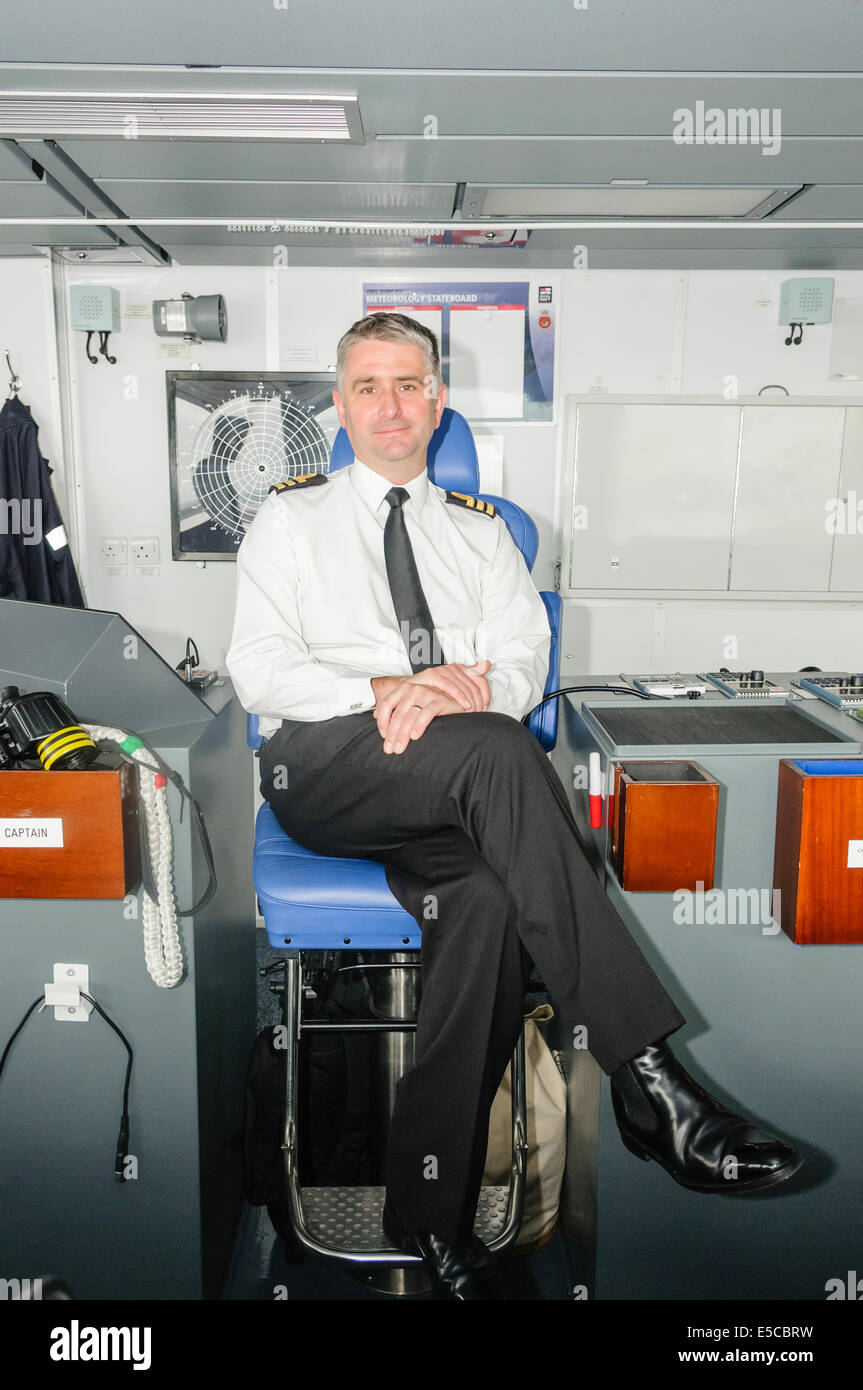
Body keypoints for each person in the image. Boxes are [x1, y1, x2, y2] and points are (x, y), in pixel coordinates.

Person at [226, 312, 802, 1300]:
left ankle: (427, 1210)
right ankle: (649, 1083)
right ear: (339, 404)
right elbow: (256, 669)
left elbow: (522, 668)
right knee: (491, 749)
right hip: (324, 767)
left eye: (409, 384)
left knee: (487, 899)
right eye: (367, 386)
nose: (390, 405)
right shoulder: (290, 519)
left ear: (438, 399)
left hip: (452, 775)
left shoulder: (483, 536)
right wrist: (382, 690)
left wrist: (447, 695)